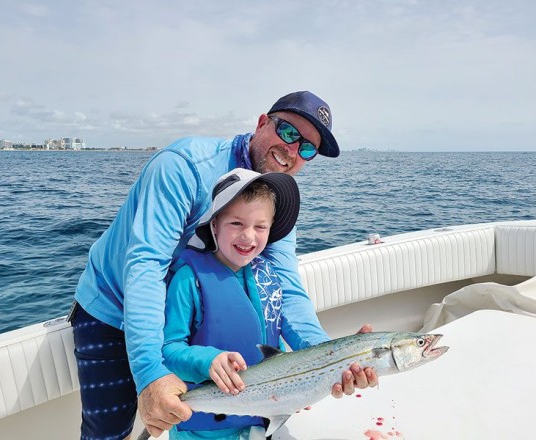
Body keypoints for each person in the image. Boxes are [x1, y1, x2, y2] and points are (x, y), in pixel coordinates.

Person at [70, 91, 378, 440]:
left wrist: (331, 357)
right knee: (109, 433)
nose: (293, 151)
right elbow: (146, 265)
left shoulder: (275, 199)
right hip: (113, 308)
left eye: (307, 148)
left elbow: (285, 286)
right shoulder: (183, 165)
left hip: (186, 317)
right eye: (289, 133)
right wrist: (150, 372)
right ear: (262, 123)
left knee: (187, 412)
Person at [164, 168, 313, 438]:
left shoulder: (268, 275)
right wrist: (207, 360)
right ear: (214, 225)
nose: (248, 236)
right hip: (204, 431)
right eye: (236, 224)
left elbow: (290, 336)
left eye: (260, 226)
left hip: (265, 420)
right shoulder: (189, 280)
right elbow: (169, 350)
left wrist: (345, 355)